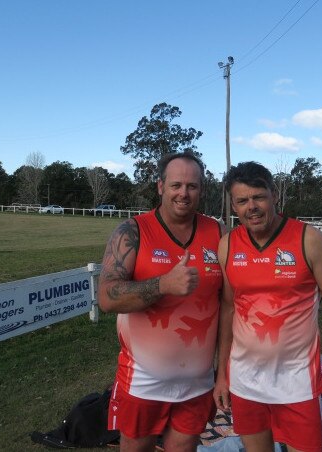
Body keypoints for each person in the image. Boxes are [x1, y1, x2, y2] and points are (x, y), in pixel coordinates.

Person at [214, 162, 322, 452]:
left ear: (274, 195)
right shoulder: (228, 245)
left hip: (297, 384)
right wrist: (221, 374)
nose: (251, 207)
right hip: (245, 383)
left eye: (259, 197)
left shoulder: (308, 239)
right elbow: (229, 309)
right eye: (242, 201)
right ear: (233, 205)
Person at [98, 151, 225, 451]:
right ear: (160, 186)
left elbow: (232, 300)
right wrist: (163, 284)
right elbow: (106, 297)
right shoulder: (133, 231)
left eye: (192, 186)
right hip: (144, 378)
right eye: (176, 185)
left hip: (198, 379)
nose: (184, 193)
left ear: (202, 190)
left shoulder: (218, 232)